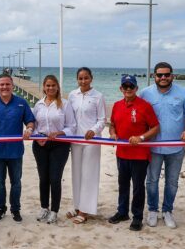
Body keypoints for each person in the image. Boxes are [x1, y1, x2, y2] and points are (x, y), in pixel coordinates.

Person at [139, 62, 185, 228]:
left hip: (176, 148)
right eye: (160, 75)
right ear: (154, 76)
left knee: (172, 182)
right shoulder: (145, 93)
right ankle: (152, 210)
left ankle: (167, 211)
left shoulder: (184, 93)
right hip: (152, 147)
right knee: (152, 181)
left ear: (172, 75)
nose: (163, 77)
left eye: (167, 74)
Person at [108, 75, 160, 231]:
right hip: (122, 153)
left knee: (138, 187)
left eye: (131, 86)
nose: (128, 89)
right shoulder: (116, 105)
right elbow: (112, 124)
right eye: (125, 86)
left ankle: (137, 217)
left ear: (136, 88)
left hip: (140, 155)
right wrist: (112, 133)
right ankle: (122, 212)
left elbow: (155, 127)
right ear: (121, 89)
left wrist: (141, 138)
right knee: (122, 184)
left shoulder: (145, 106)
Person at [0, 74, 35, 222]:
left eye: (7, 84)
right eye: (1, 84)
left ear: (12, 86)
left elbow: (30, 121)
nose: (4, 87)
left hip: (15, 151)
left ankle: (15, 209)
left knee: (16, 182)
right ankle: (0, 208)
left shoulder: (21, 103)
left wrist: (29, 129)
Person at [31, 75, 75, 224]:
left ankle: (54, 211)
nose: (50, 88)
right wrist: (37, 137)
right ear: (44, 87)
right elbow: (33, 125)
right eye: (48, 85)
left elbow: (72, 126)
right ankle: (44, 208)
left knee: (55, 178)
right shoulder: (38, 105)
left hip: (59, 145)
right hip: (41, 145)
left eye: (53, 85)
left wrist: (60, 133)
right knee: (43, 178)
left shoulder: (65, 104)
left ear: (57, 87)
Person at [67, 67, 106, 224]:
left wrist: (93, 130)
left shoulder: (98, 96)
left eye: (86, 78)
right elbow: (69, 117)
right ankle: (77, 206)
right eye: (80, 78)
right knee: (76, 174)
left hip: (91, 141)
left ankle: (85, 210)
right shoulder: (72, 95)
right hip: (75, 139)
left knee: (89, 175)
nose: (83, 81)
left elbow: (102, 120)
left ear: (91, 78)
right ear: (77, 79)